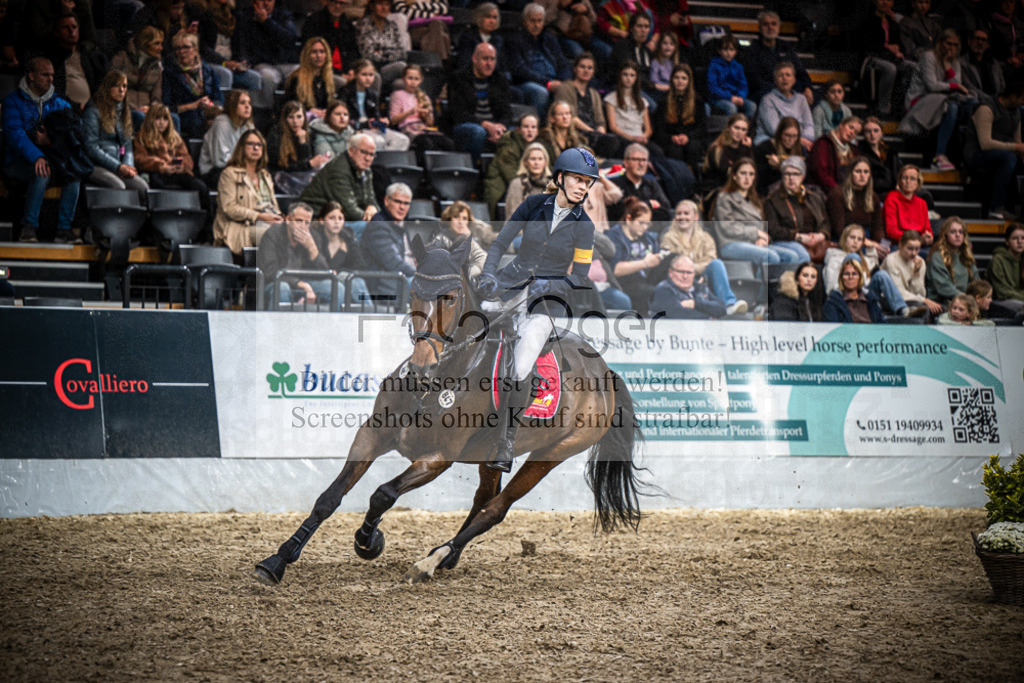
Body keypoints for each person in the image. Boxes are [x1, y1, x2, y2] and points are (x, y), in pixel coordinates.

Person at [476, 147, 599, 471]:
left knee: (521, 364)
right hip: (510, 284)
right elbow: (500, 244)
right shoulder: (532, 205)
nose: (582, 187)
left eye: (588, 183)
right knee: (467, 325)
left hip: (546, 304)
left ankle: (506, 441)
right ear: (559, 178)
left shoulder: (584, 226)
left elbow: (580, 278)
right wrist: (489, 273)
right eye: (577, 179)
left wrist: (549, 285)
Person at [3, 56, 82, 244]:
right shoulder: (13, 101)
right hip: (18, 162)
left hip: (52, 159)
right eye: (45, 75)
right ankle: (28, 228)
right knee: (42, 172)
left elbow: (74, 133)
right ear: (31, 76)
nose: (50, 79)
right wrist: (37, 156)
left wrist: (50, 141)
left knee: (73, 175)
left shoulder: (61, 104)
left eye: (52, 75)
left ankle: (64, 230)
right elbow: (15, 136)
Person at [900, 29, 972, 171]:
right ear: (940, 43)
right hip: (920, 100)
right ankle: (939, 155)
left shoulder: (954, 61)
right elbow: (932, 85)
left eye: (955, 45)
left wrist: (946, 64)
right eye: (948, 44)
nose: (951, 48)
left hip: (942, 98)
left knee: (971, 103)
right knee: (952, 106)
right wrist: (954, 86)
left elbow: (955, 84)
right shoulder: (929, 57)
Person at [660, 199, 748, 314]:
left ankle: (729, 304)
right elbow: (671, 263)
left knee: (717, 264)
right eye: (679, 214)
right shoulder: (668, 238)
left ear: (696, 217)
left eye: (686, 214)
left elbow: (711, 259)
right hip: (680, 277)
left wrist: (695, 270)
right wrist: (693, 272)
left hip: (702, 276)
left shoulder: (706, 237)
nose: (682, 217)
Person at [713, 157, 802, 265]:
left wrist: (764, 240)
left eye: (751, 174)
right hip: (731, 244)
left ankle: (784, 282)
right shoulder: (725, 198)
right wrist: (755, 233)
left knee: (791, 256)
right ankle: (760, 282)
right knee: (771, 256)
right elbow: (728, 227)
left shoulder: (755, 201)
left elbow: (763, 229)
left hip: (753, 243)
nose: (747, 178)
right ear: (734, 176)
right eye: (743, 173)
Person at [823, 223, 919, 316]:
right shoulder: (834, 258)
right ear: (844, 239)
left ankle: (903, 310)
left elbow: (876, 275)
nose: (855, 241)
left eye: (859, 239)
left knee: (882, 274)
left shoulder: (864, 260)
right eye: (852, 237)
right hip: (844, 298)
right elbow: (830, 289)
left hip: (865, 297)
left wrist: (870, 249)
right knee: (852, 257)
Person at [213, 129, 284, 255]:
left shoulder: (265, 175)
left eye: (259, 145)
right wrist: (259, 216)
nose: (255, 148)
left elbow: (274, 206)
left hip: (266, 222)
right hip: (241, 227)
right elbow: (229, 208)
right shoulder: (229, 174)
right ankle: (273, 273)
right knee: (275, 237)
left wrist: (281, 218)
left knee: (301, 234)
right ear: (242, 147)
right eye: (251, 144)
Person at [258, 201, 339, 309]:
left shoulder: (313, 236)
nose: (303, 227)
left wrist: (312, 249)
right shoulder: (273, 234)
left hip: (304, 283)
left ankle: (336, 324)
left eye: (307, 223)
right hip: (274, 283)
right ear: (287, 220)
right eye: (298, 221)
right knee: (282, 287)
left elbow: (324, 273)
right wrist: (300, 284)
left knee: (335, 287)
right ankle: (278, 325)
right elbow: (269, 271)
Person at [963, 79, 1024, 221]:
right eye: (1022, 98)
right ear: (1013, 96)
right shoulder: (986, 108)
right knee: (1009, 158)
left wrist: (1020, 151)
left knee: (1014, 159)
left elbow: (1017, 140)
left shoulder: (1016, 112)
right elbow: (985, 143)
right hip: (977, 154)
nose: (1023, 102)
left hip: (1004, 153)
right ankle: (995, 208)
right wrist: (1016, 148)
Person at [84, 69, 150, 200]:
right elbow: (91, 147)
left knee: (143, 188)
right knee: (119, 187)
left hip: (120, 166)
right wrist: (118, 166)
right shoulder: (93, 112)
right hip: (96, 166)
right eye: (117, 85)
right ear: (107, 87)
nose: (121, 90)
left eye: (124, 86)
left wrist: (128, 166)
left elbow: (128, 145)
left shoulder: (123, 113)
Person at [299, 132, 380, 231]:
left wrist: (372, 207)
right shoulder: (339, 170)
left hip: (341, 218)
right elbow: (349, 210)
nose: (368, 158)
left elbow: (370, 198)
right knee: (369, 227)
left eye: (371, 154)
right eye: (363, 152)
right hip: (318, 220)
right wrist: (375, 220)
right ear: (351, 151)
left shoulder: (366, 170)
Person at [447, 42, 513, 162]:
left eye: (492, 59)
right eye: (485, 59)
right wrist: (486, 125)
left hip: (494, 126)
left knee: (519, 133)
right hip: (467, 125)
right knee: (478, 132)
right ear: (474, 59)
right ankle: (472, 168)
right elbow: (458, 114)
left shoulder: (500, 79)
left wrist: (500, 127)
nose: (489, 64)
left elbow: (506, 112)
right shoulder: (459, 78)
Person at [133, 102, 209, 205]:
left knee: (200, 186)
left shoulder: (175, 138)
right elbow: (140, 158)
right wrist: (161, 166)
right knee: (157, 183)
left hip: (175, 172)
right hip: (155, 172)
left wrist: (179, 166)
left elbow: (186, 158)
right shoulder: (141, 137)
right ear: (150, 120)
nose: (161, 123)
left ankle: (206, 219)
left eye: (165, 119)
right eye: (157, 118)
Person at [231, 0, 299, 109]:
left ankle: (295, 112)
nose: (266, 3)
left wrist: (266, 21)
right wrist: (244, 62)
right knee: (268, 77)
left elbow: (289, 39)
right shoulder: (245, 17)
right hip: (262, 63)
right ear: (254, 2)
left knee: (301, 73)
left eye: (270, 0)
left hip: (285, 63)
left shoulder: (283, 15)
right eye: (263, 0)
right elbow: (241, 44)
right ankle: (266, 112)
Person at [764, 156, 828, 262]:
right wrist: (798, 237)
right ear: (782, 176)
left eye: (795, 174)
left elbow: (825, 222)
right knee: (803, 256)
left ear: (802, 176)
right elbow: (773, 230)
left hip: (815, 240)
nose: (791, 178)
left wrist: (821, 235)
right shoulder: (772, 200)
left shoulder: (814, 197)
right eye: (787, 174)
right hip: (788, 241)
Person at [359, 182, 417, 300]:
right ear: (386, 201)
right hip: (386, 285)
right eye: (398, 202)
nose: (402, 207)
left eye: (406, 203)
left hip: (403, 279)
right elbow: (393, 262)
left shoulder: (403, 224)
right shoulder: (378, 226)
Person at [859, 0, 915, 121]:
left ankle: (905, 107)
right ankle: (884, 109)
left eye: (888, 0)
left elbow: (899, 43)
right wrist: (887, 48)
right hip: (873, 58)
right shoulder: (868, 20)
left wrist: (898, 50)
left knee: (913, 67)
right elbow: (865, 45)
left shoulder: (892, 22)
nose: (885, 2)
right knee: (890, 69)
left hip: (891, 57)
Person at [552, 52, 617, 157]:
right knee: (610, 142)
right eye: (582, 67)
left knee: (618, 142)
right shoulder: (564, 88)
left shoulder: (594, 93)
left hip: (593, 134)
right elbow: (570, 117)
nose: (586, 70)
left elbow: (601, 121)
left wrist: (600, 130)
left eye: (590, 68)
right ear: (575, 69)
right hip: (575, 132)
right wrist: (592, 131)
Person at [743, 10, 813, 106]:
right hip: (765, 92)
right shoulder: (753, 49)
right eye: (766, 24)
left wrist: (807, 88)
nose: (770, 27)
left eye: (773, 24)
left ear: (779, 27)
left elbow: (800, 71)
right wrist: (780, 90)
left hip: (789, 89)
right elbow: (754, 79)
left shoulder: (786, 46)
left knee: (811, 95)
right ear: (759, 27)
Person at [606, 197, 663, 315]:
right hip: (624, 282)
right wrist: (645, 263)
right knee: (652, 292)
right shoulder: (614, 237)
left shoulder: (648, 237)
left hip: (648, 278)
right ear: (629, 219)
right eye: (641, 223)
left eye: (648, 224)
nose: (645, 227)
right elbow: (615, 269)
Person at [163, 30, 223, 140]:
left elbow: (219, 99)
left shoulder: (209, 71)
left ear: (195, 50)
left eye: (186, 47)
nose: (181, 52)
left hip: (207, 113)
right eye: (178, 48)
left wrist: (209, 104)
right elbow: (167, 107)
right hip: (185, 115)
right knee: (196, 119)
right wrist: (193, 105)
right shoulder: (170, 73)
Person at [341, 60, 410, 151]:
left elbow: (376, 116)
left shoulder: (373, 95)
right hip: (356, 129)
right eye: (364, 74)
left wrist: (383, 121)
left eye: (371, 75)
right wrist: (365, 124)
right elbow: (344, 121)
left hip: (372, 129)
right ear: (356, 75)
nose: (368, 78)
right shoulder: (345, 93)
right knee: (378, 141)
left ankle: (388, 162)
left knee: (403, 140)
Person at [45, 13, 107, 112]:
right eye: (65, 27)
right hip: (66, 111)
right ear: (56, 32)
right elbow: (53, 92)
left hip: (92, 110)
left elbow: (101, 86)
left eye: (74, 27)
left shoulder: (88, 56)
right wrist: (76, 107)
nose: (71, 31)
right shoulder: (52, 59)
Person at [483, 112, 539, 221]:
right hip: (501, 187)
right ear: (518, 129)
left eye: (533, 127)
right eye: (526, 127)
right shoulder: (508, 145)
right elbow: (511, 175)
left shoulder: (538, 147)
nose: (530, 131)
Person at [653, 63, 707, 171]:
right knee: (674, 151)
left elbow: (701, 127)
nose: (680, 81)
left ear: (689, 81)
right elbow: (659, 127)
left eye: (684, 78)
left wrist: (688, 136)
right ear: (672, 79)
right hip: (670, 139)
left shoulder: (697, 100)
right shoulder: (664, 100)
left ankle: (692, 176)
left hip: (691, 138)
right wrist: (671, 138)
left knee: (693, 147)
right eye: (676, 77)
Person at [266, 101, 330, 194]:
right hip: (279, 177)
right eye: (291, 117)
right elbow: (280, 165)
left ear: (304, 118)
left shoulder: (307, 134)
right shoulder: (275, 134)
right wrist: (309, 164)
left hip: (300, 177)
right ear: (285, 119)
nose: (295, 121)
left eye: (299, 117)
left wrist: (303, 143)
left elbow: (304, 162)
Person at [314, 200, 371, 303]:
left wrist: (341, 272)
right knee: (342, 285)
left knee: (356, 281)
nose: (336, 222)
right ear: (322, 220)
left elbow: (361, 266)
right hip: (319, 281)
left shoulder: (348, 237)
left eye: (340, 218)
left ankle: (369, 313)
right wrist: (341, 253)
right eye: (332, 218)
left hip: (344, 279)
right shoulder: (316, 237)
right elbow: (322, 269)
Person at [111, 26, 167, 130]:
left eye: (161, 43)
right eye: (156, 43)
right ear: (144, 43)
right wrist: (131, 109)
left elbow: (156, 97)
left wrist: (151, 109)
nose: (161, 48)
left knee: (173, 119)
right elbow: (112, 89)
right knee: (140, 118)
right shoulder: (122, 58)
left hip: (147, 111)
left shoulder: (157, 66)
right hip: (124, 110)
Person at [881, 229, 944, 317]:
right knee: (923, 307)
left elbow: (920, 294)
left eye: (917, 249)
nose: (914, 253)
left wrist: (916, 274)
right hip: (889, 299)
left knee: (939, 309)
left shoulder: (920, 261)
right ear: (900, 245)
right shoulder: (891, 260)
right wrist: (924, 300)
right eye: (910, 248)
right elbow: (898, 293)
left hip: (911, 300)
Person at [389, 64, 451, 152]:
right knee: (426, 143)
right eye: (410, 78)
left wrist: (427, 115)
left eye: (416, 79)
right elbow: (393, 120)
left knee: (447, 143)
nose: (413, 82)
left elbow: (430, 123)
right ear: (403, 78)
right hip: (407, 129)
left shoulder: (424, 96)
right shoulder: (397, 95)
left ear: (421, 80)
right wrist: (410, 112)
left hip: (423, 128)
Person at [198, 89, 254, 185]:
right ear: (233, 105)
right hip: (214, 171)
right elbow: (220, 160)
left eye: (249, 103)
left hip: (238, 167)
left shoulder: (249, 125)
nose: (247, 106)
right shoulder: (222, 123)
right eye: (242, 103)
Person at [754, 62, 814, 149]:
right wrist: (798, 140)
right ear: (775, 80)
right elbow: (774, 129)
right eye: (780, 75)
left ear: (794, 80)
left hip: (799, 141)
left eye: (788, 75)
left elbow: (809, 125)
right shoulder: (767, 100)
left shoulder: (801, 99)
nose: (784, 78)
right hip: (772, 141)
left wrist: (806, 139)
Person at [826, 158, 885, 246]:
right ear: (850, 174)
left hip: (867, 237)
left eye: (866, 172)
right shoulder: (837, 194)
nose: (862, 175)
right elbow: (838, 230)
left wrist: (880, 245)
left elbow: (878, 227)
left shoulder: (873, 197)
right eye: (858, 171)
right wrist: (866, 242)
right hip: (845, 240)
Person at [649, 253, 727, 319]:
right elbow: (678, 314)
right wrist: (709, 317)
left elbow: (721, 308)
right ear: (670, 272)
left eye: (689, 273)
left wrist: (694, 304)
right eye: (681, 272)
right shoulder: (663, 289)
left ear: (694, 274)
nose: (685, 276)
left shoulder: (700, 288)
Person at [300, 0, 359, 86]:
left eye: (341, 3)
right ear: (328, 2)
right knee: (344, 82)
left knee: (371, 77)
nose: (337, 6)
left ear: (346, 5)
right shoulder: (313, 22)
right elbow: (310, 55)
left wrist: (351, 70)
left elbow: (353, 52)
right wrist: (340, 74)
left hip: (345, 71)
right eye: (334, 2)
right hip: (321, 70)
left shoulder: (348, 26)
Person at [611, 142, 671, 223]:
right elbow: (618, 212)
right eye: (637, 159)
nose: (641, 164)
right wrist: (649, 204)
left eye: (644, 160)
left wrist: (638, 212)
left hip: (651, 230)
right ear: (626, 162)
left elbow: (666, 211)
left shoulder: (652, 184)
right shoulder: (614, 184)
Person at [926, 216, 979, 305]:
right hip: (942, 302)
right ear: (945, 235)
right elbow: (943, 287)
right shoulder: (937, 257)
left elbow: (976, 281)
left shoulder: (967, 256)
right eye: (953, 232)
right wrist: (967, 298)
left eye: (960, 232)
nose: (957, 235)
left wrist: (980, 295)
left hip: (965, 301)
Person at [355, 0, 407, 89]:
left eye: (387, 4)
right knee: (402, 67)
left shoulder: (392, 26)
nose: (384, 8)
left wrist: (381, 51)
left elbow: (402, 52)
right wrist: (391, 52)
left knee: (403, 83)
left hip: (391, 68)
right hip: (373, 69)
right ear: (372, 6)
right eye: (380, 4)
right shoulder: (364, 25)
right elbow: (368, 54)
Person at [604, 60, 652, 154]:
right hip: (623, 138)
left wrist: (643, 137)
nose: (628, 78)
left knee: (657, 152)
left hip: (640, 138)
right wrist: (633, 138)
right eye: (625, 74)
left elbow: (648, 129)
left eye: (632, 75)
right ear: (620, 76)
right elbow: (613, 127)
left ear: (636, 78)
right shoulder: (610, 98)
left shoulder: (643, 101)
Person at [432, 201, 488, 279]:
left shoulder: (469, 239)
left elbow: (484, 259)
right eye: (456, 217)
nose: (460, 222)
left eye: (464, 218)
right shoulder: (440, 238)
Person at [284, 36, 336, 119]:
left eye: (322, 52)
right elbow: (290, 106)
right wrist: (310, 110)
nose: (318, 55)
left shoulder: (328, 78)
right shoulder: (296, 78)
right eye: (314, 52)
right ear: (307, 54)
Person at [807, 116, 862, 194]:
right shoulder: (823, 144)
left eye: (856, 132)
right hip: (825, 192)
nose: (852, 132)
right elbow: (821, 174)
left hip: (847, 192)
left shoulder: (854, 151)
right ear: (841, 125)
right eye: (850, 127)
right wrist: (838, 191)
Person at [883, 164, 932, 246]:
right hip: (899, 244)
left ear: (918, 183)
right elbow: (891, 231)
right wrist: (917, 240)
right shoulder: (891, 198)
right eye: (905, 178)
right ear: (900, 181)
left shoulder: (922, 203)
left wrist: (929, 238)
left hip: (919, 244)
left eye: (912, 179)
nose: (908, 182)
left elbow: (927, 229)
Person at [708, 34, 755, 119]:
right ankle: (730, 130)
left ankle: (746, 128)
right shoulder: (714, 65)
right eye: (725, 49)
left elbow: (743, 85)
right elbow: (713, 88)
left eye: (731, 50)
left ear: (735, 52)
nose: (728, 53)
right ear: (719, 51)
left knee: (752, 106)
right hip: (719, 99)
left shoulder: (738, 67)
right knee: (731, 108)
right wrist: (730, 97)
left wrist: (740, 97)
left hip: (737, 97)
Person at [824, 258, 885, 323]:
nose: (850, 277)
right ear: (841, 278)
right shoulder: (833, 302)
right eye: (847, 274)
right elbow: (834, 329)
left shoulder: (871, 299)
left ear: (860, 277)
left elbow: (882, 324)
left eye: (854, 274)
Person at [703, 112, 752, 192]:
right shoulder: (717, 149)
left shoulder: (746, 149)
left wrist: (748, 149)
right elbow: (730, 175)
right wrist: (745, 150)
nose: (739, 132)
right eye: (736, 128)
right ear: (728, 128)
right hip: (718, 191)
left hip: (739, 191)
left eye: (743, 129)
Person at [753, 115, 802, 193]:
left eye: (794, 136)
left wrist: (780, 167)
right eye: (787, 135)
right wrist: (770, 167)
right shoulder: (765, 148)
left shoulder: (800, 150)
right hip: (770, 192)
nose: (791, 140)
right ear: (780, 134)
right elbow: (758, 180)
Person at [504, 142, 553, 218]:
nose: (536, 163)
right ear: (525, 162)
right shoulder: (517, 184)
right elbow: (513, 217)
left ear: (545, 162)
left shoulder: (552, 185)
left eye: (540, 159)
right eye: (533, 159)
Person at [984, 222, 1024, 313]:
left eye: (1023, 238)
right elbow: (1002, 292)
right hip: (1000, 300)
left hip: (1018, 299)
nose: (1020, 242)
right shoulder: (997, 261)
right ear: (1007, 242)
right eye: (1015, 238)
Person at [960, 28, 1004, 106]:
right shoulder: (962, 63)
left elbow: (1002, 85)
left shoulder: (994, 63)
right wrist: (993, 101)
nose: (980, 42)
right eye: (977, 39)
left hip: (997, 102)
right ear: (969, 41)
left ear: (987, 45)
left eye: (983, 40)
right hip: (978, 101)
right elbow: (969, 87)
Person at [857, 115, 900, 195]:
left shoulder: (890, 151)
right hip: (872, 191)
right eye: (868, 131)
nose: (872, 134)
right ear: (864, 134)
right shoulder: (859, 152)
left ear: (881, 133)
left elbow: (899, 170)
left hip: (893, 189)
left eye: (876, 130)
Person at [537, 100, 588, 166]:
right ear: (552, 118)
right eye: (560, 114)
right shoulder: (544, 139)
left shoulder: (577, 138)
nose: (565, 117)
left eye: (567, 113)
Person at [649, 30, 680, 94]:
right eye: (665, 43)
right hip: (660, 93)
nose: (668, 46)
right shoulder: (655, 62)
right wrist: (670, 88)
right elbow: (654, 82)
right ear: (660, 45)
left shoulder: (675, 64)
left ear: (675, 47)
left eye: (671, 44)